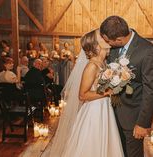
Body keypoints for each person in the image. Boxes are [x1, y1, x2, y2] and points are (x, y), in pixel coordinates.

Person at [42, 29, 124, 157]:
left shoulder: (103, 63)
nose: (106, 39)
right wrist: (107, 92)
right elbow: (82, 95)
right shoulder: (91, 66)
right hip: (94, 111)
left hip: (104, 108)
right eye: (102, 38)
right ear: (96, 45)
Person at [100, 16, 153, 157]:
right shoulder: (113, 48)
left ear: (119, 39)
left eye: (108, 41)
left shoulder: (148, 51)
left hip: (133, 117)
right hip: (111, 113)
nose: (107, 44)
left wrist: (143, 123)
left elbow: (151, 90)